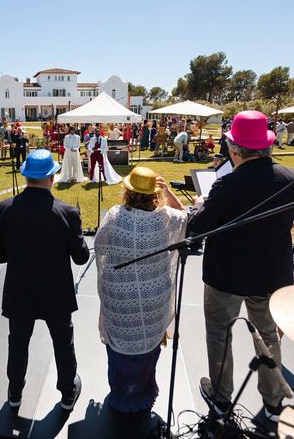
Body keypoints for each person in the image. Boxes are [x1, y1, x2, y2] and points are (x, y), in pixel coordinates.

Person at [188, 111, 294, 422]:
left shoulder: (227, 184)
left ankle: (221, 397)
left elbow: (199, 227)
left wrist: (202, 205)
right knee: (268, 336)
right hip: (272, 275)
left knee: (220, 333)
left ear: (235, 151)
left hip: (227, 275)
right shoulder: (292, 180)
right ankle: (274, 400)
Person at [0, 149, 89, 411]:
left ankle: (15, 392)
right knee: (63, 343)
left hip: (19, 290)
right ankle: (68, 392)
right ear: (52, 177)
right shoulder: (67, 212)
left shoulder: (2, 209)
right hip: (56, 293)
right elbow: (81, 258)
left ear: (26, 176)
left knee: (18, 343)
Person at [95, 167, 187, 412]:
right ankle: (144, 394)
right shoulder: (167, 218)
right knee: (148, 349)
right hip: (154, 296)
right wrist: (168, 191)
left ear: (128, 191)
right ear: (155, 193)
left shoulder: (115, 216)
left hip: (119, 295)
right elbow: (185, 215)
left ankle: (121, 396)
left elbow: (100, 247)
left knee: (119, 349)